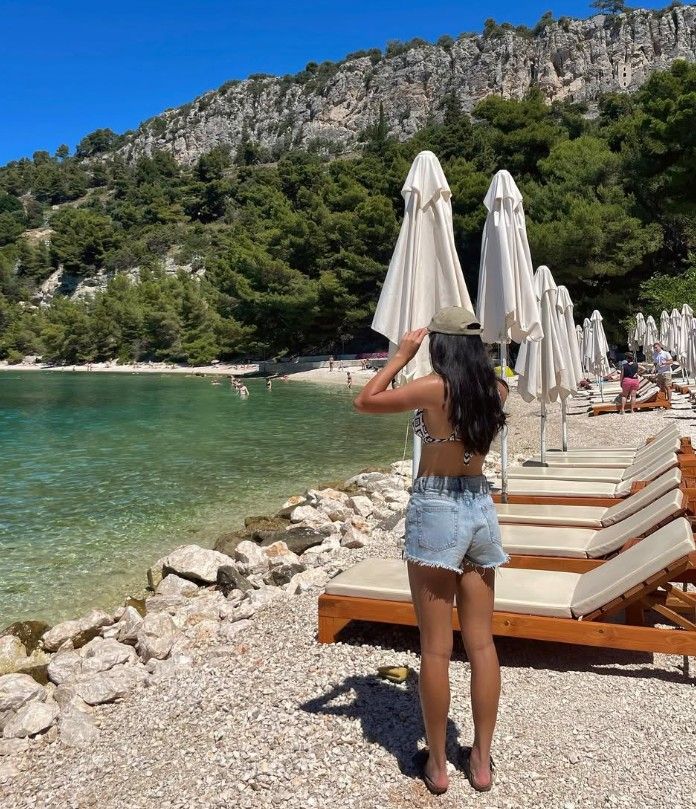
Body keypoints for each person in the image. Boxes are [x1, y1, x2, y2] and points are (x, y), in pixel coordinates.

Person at [353, 307, 508, 795]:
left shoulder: (433, 388)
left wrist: (400, 356)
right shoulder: (497, 389)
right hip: (480, 505)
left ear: (439, 344)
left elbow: (365, 401)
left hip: (437, 504)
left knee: (436, 648)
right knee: (481, 644)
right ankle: (480, 762)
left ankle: (438, 766)